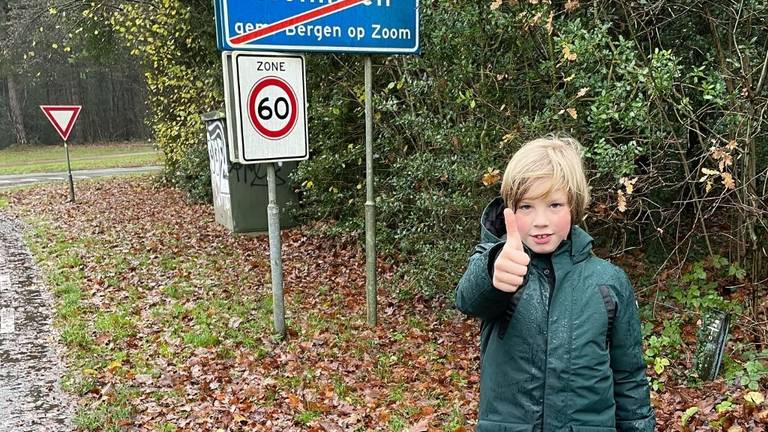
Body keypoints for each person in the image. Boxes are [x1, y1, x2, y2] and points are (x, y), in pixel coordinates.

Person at [455, 134, 656, 432]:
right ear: (510, 209)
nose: (540, 221)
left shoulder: (609, 282)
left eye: (554, 205)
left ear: (574, 206)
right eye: (526, 207)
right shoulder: (499, 265)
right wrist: (494, 271)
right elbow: (468, 299)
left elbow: (629, 379)